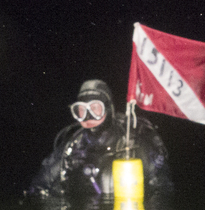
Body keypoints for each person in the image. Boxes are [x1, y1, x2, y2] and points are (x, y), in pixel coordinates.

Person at [28, 79, 171, 199]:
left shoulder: (134, 144)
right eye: (81, 109)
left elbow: (163, 190)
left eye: (95, 108)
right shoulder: (71, 148)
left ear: (108, 109)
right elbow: (38, 186)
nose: (88, 115)